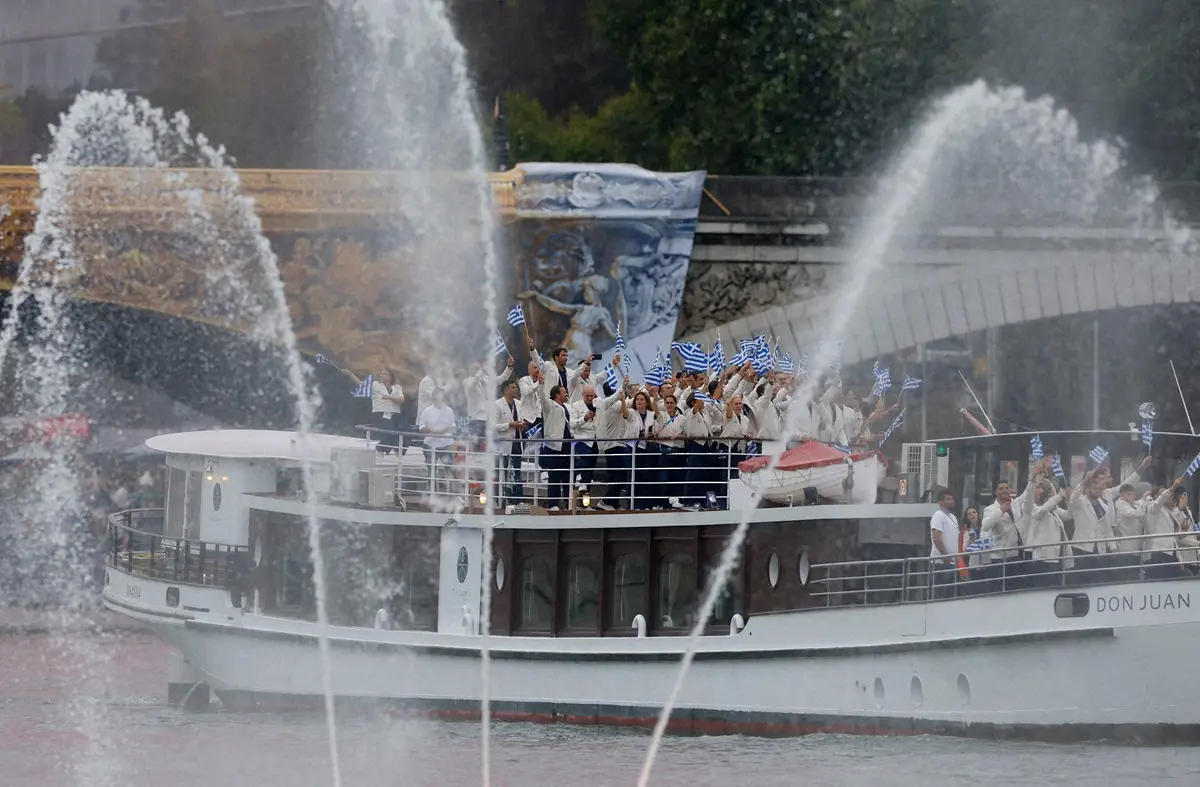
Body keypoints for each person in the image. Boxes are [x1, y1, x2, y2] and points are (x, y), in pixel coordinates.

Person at [345, 367, 404, 454]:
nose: (382, 376)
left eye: (385, 374)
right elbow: (361, 384)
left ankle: (398, 451)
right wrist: (350, 375)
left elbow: (401, 400)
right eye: (381, 374)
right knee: (391, 432)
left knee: (407, 431)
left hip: (395, 414)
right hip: (381, 413)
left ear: (390, 376)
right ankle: (381, 449)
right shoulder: (375, 385)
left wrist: (390, 397)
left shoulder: (397, 387)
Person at [534, 383, 574, 511]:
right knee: (554, 476)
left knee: (567, 476)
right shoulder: (549, 406)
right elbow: (542, 399)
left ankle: (569, 503)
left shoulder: (566, 407)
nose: (566, 393)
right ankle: (553, 504)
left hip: (567, 446)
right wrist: (541, 384)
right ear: (557, 394)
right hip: (554, 446)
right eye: (564, 392)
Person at [1026, 480, 1071, 587]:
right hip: (1044, 557)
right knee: (1044, 586)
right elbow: (1041, 512)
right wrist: (1059, 497)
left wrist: (1070, 501)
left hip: (1058, 554)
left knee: (1057, 585)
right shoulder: (1033, 508)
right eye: (1038, 494)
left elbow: (1068, 515)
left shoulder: (1054, 509)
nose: (1040, 496)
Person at [416, 388, 456, 494]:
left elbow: (452, 427)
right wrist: (431, 431)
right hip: (430, 444)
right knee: (431, 471)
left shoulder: (449, 410)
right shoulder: (427, 411)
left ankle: (453, 493)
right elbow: (421, 427)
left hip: (446, 444)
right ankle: (431, 493)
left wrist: (441, 431)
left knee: (450, 469)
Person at [491, 379, 524, 505]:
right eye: (513, 387)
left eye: (516, 387)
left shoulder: (519, 404)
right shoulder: (497, 405)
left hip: (516, 442)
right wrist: (510, 424)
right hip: (503, 444)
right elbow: (493, 426)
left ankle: (518, 499)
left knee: (517, 472)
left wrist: (522, 424)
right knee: (501, 472)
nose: (516, 389)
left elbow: (520, 419)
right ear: (506, 390)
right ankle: (498, 499)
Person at [463, 357, 514, 439]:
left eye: (479, 368)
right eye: (476, 368)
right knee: (477, 446)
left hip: (488, 419)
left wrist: (509, 367)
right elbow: (471, 385)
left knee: (488, 445)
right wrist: (480, 372)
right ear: (470, 369)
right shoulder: (467, 381)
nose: (478, 370)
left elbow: (501, 379)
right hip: (476, 418)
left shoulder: (486, 379)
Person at [1142, 479, 1182, 580]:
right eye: (1165, 493)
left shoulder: (1167, 511)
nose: (1170, 495)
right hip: (1159, 553)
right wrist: (1172, 488)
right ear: (1156, 496)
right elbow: (1160, 501)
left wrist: (1180, 560)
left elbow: (1173, 537)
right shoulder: (1152, 507)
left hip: (1171, 553)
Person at [929, 490, 960, 599]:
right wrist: (945, 556)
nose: (951, 501)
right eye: (948, 499)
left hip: (952, 561)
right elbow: (936, 538)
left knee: (950, 594)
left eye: (952, 499)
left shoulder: (953, 517)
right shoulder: (938, 516)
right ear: (941, 502)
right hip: (941, 562)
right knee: (941, 594)